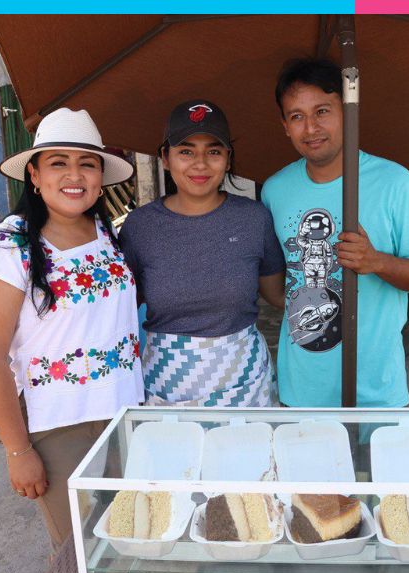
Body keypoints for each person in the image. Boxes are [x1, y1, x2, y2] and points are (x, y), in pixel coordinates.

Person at [0, 108, 143, 550]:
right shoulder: (6, 247)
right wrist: (18, 450)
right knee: (81, 554)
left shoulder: (107, 233)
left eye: (87, 163)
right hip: (58, 427)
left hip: (126, 414)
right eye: (58, 163)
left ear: (101, 178)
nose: (74, 175)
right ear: (34, 174)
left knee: (131, 543)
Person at [261, 58, 409, 409]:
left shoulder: (396, 184)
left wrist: (377, 262)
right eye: (297, 116)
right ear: (285, 126)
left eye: (322, 111)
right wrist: (311, 304)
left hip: (376, 389)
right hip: (301, 388)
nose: (311, 128)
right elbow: (277, 283)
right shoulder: (275, 190)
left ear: (348, 112)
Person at [119, 99, 286, 407]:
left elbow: (279, 296)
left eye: (213, 151)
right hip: (166, 385)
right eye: (186, 151)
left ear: (228, 159)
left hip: (245, 383)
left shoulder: (254, 219)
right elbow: (121, 307)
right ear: (165, 158)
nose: (200, 163)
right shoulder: (140, 226)